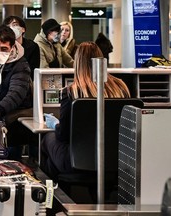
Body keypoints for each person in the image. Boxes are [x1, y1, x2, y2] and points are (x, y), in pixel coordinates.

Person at [40, 41, 130, 179]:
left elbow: (63, 135)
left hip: (77, 161)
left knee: (48, 139)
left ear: (78, 63)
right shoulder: (121, 87)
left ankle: (56, 193)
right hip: (117, 160)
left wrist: (55, 124)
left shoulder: (72, 92)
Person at [0, 24, 36, 161]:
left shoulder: (21, 65)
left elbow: (16, 93)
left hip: (14, 121)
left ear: (12, 47)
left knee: (11, 161)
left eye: (4, 49)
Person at [3, 15, 40, 81]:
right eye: (8, 27)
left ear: (23, 29)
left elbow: (33, 70)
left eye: (15, 25)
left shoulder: (32, 46)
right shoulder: (2, 46)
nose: (11, 28)